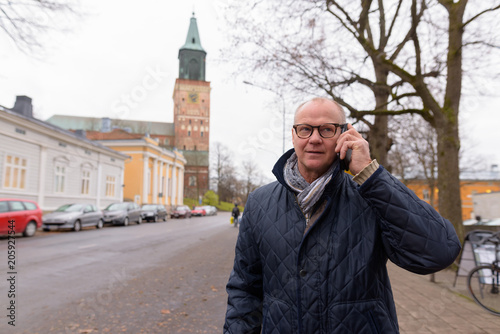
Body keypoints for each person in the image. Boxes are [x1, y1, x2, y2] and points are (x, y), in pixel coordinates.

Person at [223, 97, 461, 333]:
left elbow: (439, 252)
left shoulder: (371, 194)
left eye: (327, 129)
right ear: (294, 135)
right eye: (305, 129)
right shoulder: (259, 203)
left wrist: (371, 174)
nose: (314, 139)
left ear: (345, 135)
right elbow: (245, 289)